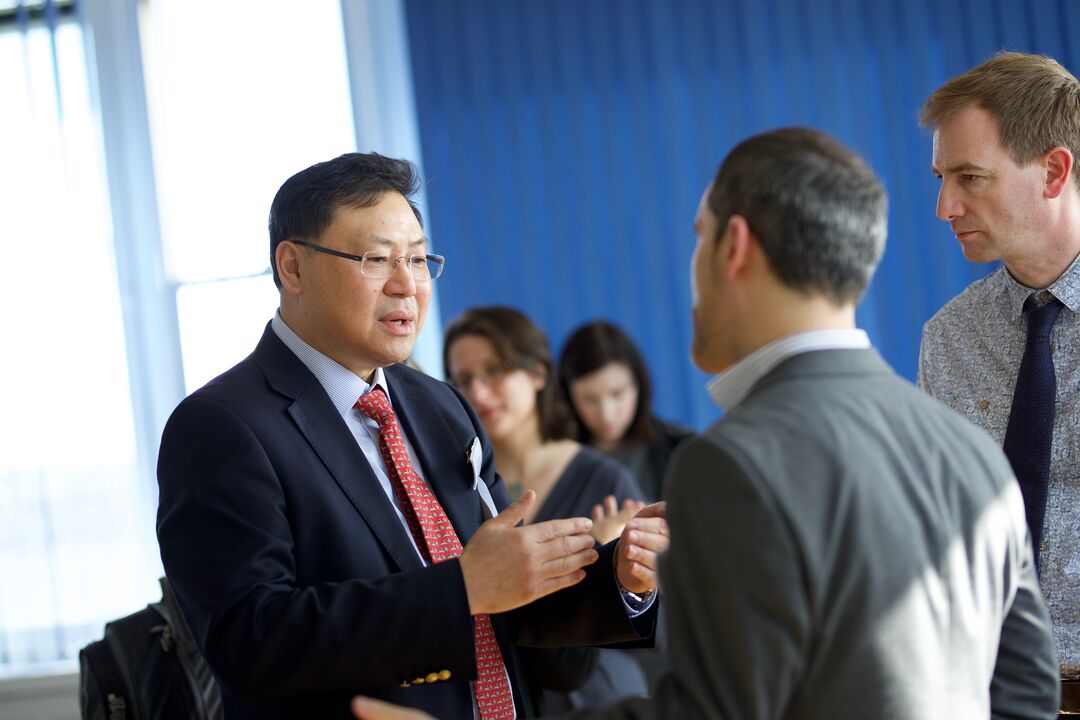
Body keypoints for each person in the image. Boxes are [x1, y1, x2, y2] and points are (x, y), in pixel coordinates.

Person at [352, 128, 1060, 720]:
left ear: (735, 247)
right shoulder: (968, 450)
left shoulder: (734, 464)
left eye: (698, 237)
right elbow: (1025, 692)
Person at [155, 152, 666, 719]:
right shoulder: (223, 425)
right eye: (376, 259)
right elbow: (248, 639)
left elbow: (504, 598)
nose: (407, 285)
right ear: (293, 267)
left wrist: (618, 578)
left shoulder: (440, 405)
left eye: (420, 260)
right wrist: (461, 589)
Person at [917, 51, 1080, 709]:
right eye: (941, 177)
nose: (944, 205)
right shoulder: (948, 339)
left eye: (971, 177)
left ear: (1054, 171)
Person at [443, 306, 648, 712]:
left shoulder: (605, 481)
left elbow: (646, 623)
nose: (479, 393)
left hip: (595, 700)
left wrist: (605, 556)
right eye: (464, 379)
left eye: (495, 370)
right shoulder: (458, 486)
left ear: (538, 374)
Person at [557, 321, 695, 502]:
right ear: (568, 397)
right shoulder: (555, 462)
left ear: (637, 385)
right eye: (590, 399)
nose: (606, 414)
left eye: (617, 394)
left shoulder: (681, 449)